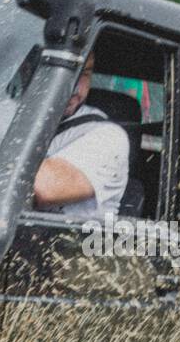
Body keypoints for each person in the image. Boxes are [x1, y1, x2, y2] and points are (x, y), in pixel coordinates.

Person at [33, 52, 130, 218]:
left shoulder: (108, 137)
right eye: (65, 72)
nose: (75, 88)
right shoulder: (7, 114)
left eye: (84, 73)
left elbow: (45, 188)